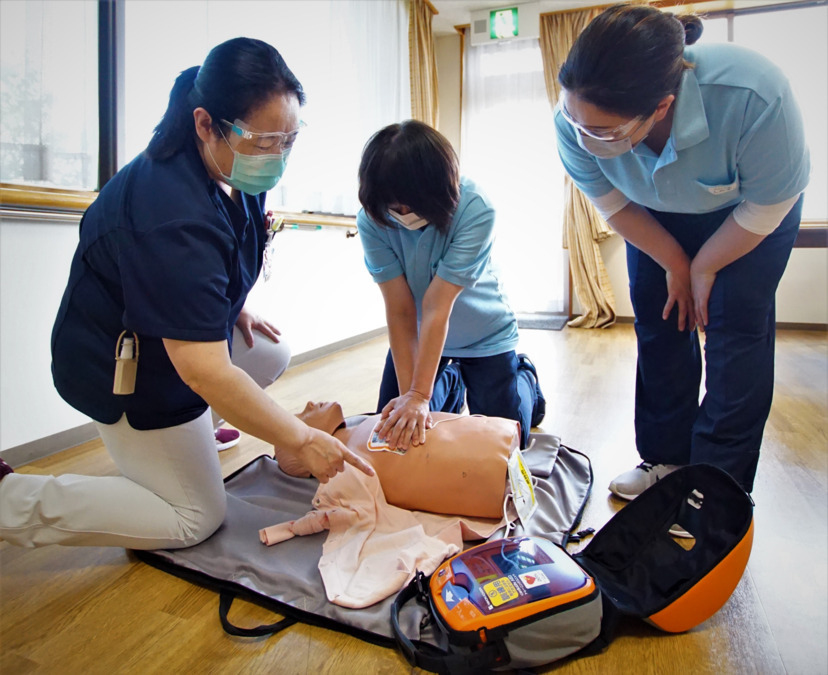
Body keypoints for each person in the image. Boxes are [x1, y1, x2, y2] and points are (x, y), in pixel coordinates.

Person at [0, 37, 372, 551]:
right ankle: (10, 496)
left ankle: (189, 435)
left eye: (289, 139)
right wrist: (300, 438)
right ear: (204, 124)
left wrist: (233, 303)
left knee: (269, 350)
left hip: (171, 343)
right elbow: (203, 369)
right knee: (195, 516)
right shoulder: (169, 211)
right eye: (266, 140)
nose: (278, 156)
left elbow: (222, 251)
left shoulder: (236, 167)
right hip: (123, 368)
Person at [553, 4, 809, 497]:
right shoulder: (575, 122)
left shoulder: (754, 94)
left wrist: (706, 265)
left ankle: (716, 485)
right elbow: (615, 206)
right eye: (576, 121)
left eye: (604, 132)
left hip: (748, 215)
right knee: (659, 323)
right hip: (652, 216)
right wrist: (674, 262)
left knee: (735, 332)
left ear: (663, 106)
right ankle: (665, 460)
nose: (585, 139)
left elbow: (767, 206)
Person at [356, 120, 546, 452]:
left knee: (507, 443)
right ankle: (451, 379)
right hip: (422, 333)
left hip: (483, 332)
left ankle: (525, 378)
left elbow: (437, 304)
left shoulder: (475, 208)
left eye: (410, 205)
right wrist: (408, 400)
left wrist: (419, 395)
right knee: (393, 427)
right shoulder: (372, 218)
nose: (401, 214)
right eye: (393, 206)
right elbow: (401, 310)